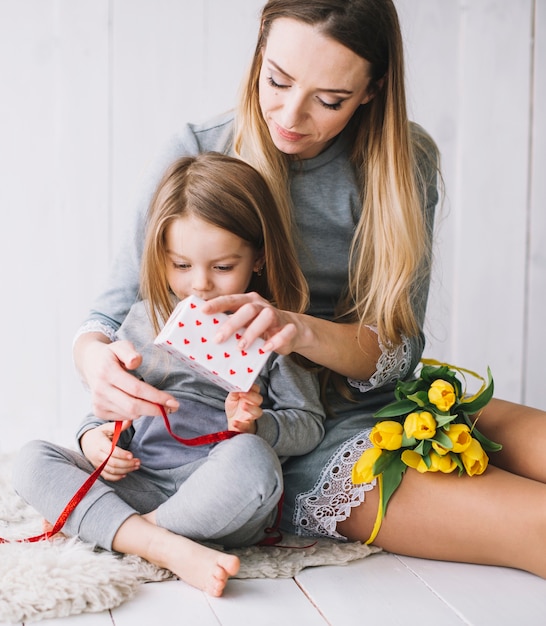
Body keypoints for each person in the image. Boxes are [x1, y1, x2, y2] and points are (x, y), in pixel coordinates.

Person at [71, 0, 546, 580]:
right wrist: (99, 365)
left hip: (383, 398)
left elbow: (395, 353)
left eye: (329, 100)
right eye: (277, 80)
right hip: (280, 437)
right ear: (259, 57)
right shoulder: (201, 150)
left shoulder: (402, 163)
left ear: (372, 90)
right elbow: (109, 315)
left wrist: (297, 329)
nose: (291, 115)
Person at [13, 152, 325, 597]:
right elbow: (107, 408)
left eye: (221, 267)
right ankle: (164, 545)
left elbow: (309, 425)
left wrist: (256, 424)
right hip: (136, 481)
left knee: (256, 462)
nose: (199, 284)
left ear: (258, 258)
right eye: (181, 265)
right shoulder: (144, 319)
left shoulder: (274, 331)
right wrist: (94, 439)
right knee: (31, 459)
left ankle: (123, 532)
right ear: (161, 256)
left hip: (215, 492)